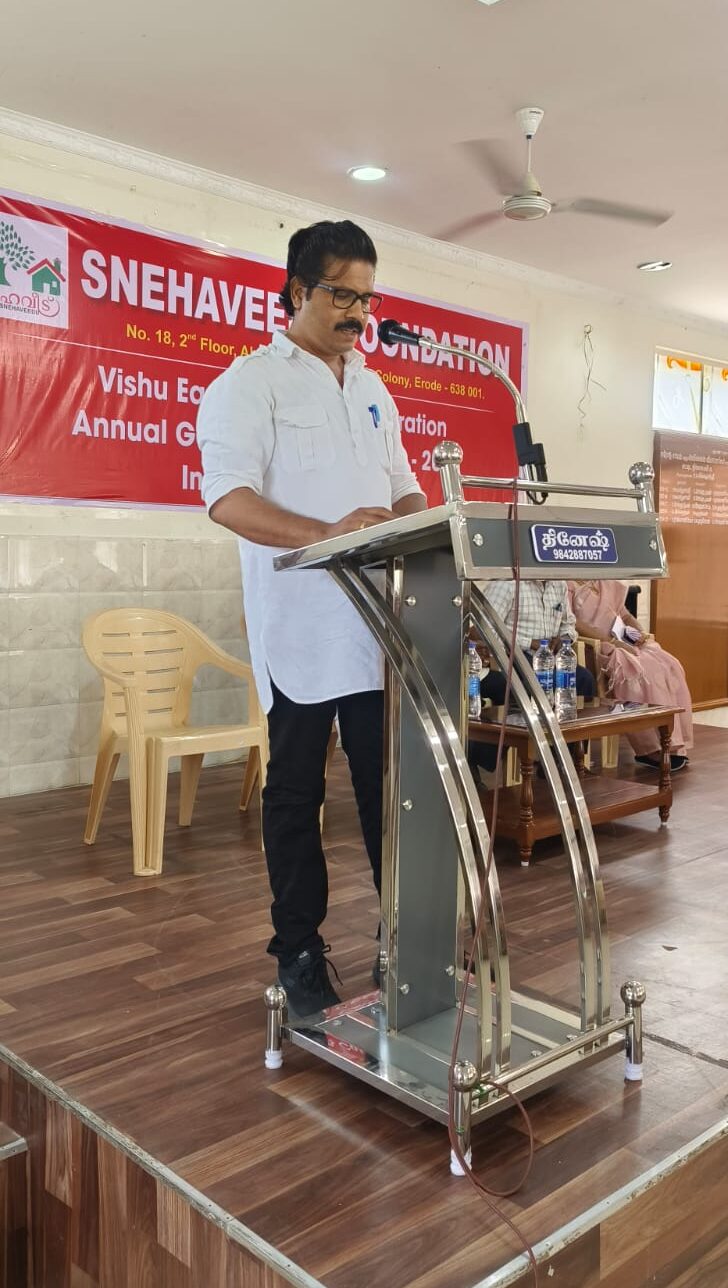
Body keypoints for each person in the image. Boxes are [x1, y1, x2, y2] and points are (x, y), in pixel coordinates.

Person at [197, 219, 426, 1016]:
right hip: (299, 629)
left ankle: (406, 941)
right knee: (295, 795)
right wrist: (328, 534)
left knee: (387, 792)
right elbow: (229, 499)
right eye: (342, 295)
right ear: (297, 290)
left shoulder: (371, 388)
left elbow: (404, 487)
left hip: (376, 631)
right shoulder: (250, 384)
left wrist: (426, 530)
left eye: (367, 297)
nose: (358, 312)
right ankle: (297, 949)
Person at [469, 578, 595, 775]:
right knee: (535, 685)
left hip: (549, 656)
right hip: (514, 656)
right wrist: (530, 642)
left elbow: (569, 623)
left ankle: (565, 759)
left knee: (584, 680)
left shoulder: (558, 584)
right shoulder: (507, 585)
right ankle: (478, 759)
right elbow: (484, 629)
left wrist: (564, 638)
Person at [568, 579, 692, 771]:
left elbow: (625, 615)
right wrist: (611, 642)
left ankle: (672, 743)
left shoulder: (602, 581)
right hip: (596, 649)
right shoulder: (565, 583)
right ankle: (650, 749)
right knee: (642, 672)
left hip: (624, 641)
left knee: (670, 665)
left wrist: (640, 632)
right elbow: (571, 622)